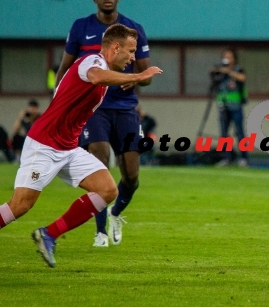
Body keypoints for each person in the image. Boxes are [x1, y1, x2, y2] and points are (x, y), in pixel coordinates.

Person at [0, 24, 163, 268]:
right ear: (115, 47)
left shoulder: (107, 72)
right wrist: (138, 76)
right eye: (130, 51)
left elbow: (105, 79)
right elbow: (97, 76)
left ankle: (49, 235)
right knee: (21, 205)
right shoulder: (90, 62)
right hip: (44, 144)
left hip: (68, 148)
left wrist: (130, 79)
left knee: (108, 190)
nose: (133, 58)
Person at [55, 0, 153, 248]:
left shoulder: (134, 29)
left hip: (124, 108)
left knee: (131, 176)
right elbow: (64, 68)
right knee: (100, 158)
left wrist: (134, 79)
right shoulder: (81, 27)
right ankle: (99, 232)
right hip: (92, 108)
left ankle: (115, 213)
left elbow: (145, 76)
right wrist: (58, 102)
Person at [211, 49, 249, 167]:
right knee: (224, 133)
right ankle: (226, 157)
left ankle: (244, 158)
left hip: (235, 105)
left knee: (240, 132)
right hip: (223, 105)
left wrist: (228, 71)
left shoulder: (238, 69)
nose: (227, 58)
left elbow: (242, 78)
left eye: (229, 56)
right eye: (225, 56)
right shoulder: (220, 70)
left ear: (234, 58)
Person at [11, 99, 41, 164]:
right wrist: (20, 118)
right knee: (16, 137)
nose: (32, 110)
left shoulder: (40, 117)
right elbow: (16, 129)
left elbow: (36, 130)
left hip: (38, 140)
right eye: (31, 107)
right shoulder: (25, 118)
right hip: (27, 139)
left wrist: (31, 120)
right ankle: (18, 157)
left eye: (34, 108)